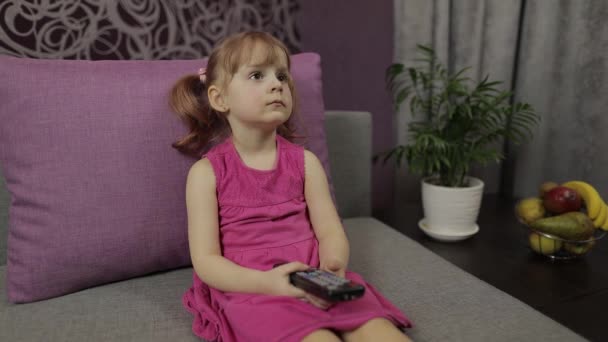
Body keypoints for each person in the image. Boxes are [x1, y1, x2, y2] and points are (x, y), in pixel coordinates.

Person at [169, 31, 412, 342]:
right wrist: (268, 284)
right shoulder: (206, 174)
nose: (276, 84)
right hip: (253, 289)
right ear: (220, 98)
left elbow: (329, 231)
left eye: (282, 75)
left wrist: (334, 264)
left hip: (313, 279)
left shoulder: (305, 163)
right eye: (257, 75)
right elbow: (206, 262)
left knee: (380, 332)